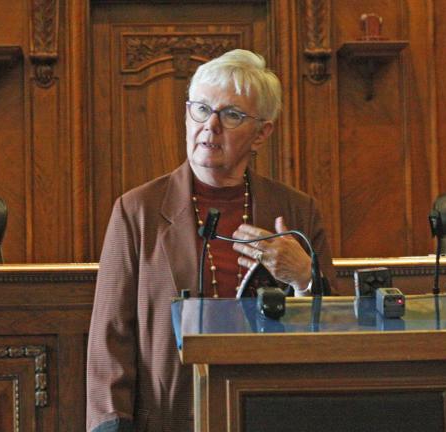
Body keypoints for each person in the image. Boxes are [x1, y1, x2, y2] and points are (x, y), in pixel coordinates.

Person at [86, 49, 337, 432]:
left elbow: (338, 333)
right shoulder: (138, 210)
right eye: (201, 109)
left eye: (231, 115)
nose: (210, 126)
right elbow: (111, 336)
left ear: (262, 132)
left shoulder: (295, 211)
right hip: (171, 418)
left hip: (272, 413)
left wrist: (305, 278)